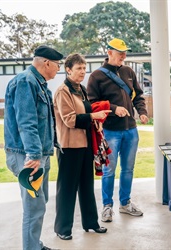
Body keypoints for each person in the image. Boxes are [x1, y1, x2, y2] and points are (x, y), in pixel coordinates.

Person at [4, 45, 63, 250]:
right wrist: (34, 155)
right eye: (57, 65)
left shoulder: (40, 84)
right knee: (33, 207)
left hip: (40, 154)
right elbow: (26, 122)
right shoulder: (25, 82)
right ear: (46, 63)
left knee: (40, 202)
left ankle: (34, 244)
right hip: (28, 155)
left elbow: (44, 122)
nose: (58, 69)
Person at [87, 38, 149, 222]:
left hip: (131, 130)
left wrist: (142, 112)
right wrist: (114, 109)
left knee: (128, 169)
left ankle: (125, 203)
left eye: (124, 52)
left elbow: (138, 96)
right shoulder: (96, 76)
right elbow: (92, 104)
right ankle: (107, 206)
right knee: (109, 171)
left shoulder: (129, 72)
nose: (123, 55)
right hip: (110, 131)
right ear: (109, 52)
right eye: (119, 52)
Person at [53, 53, 111, 240]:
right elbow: (69, 120)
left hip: (85, 145)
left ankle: (91, 223)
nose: (82, 72)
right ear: (68, 70)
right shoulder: (63, 91)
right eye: (78, 68)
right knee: (67, 188)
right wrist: (94, 116)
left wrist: (96, 121)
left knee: (87, 185)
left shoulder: (82, 90)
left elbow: (86, 113)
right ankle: (62, 229)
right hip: (69, 147)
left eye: (84, 68)